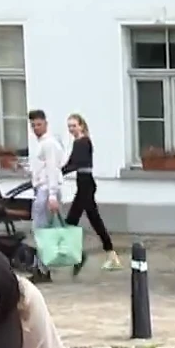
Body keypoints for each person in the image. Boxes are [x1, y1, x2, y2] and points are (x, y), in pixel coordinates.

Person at [62, 113, 121, 272]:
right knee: (93, 220)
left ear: (81, 125)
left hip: (86, 185)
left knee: (72, 221)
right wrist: (58, 172)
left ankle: (80, 256)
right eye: (69, 126)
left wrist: (59, 172)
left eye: (74, 125)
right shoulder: (78, 142)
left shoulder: (83, 142)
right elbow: (71, 163)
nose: (71, 129)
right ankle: (110, 255)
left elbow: (76, 163)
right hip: (83, 184)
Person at [27, 109, 66, 230]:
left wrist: (52, 195)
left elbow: (52, 168)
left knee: (41, 227)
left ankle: (46, 248)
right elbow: (41, 166)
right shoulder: (42, 143)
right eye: (33, 125)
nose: (36, 128)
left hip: (46, 189)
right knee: (49, 226)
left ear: (46, 124)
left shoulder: (48, 144)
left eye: (39, 124)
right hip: (42, 189)